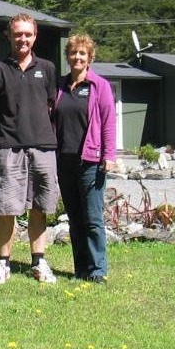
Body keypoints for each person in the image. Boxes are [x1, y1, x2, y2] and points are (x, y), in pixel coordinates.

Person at [0, 13, 59, 284]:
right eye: (18, 34)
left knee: (40, 206)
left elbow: (51, 107)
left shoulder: (47, 68)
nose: (22, 39)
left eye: (27, 34)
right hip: (9, 148)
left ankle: (39, 262)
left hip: (43, 147)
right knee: (6, 207)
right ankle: (2, 263)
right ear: (9, 36)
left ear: (35, 36)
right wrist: (7, 135)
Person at [54, 34, 116, 283]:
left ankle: (97, 270)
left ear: (90, 58)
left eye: (82, 53)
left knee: (92, 219)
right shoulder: (59, 86)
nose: (77, 57)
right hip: (64, 161)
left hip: (90, 161)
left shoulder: (99, 86)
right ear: (67, 57)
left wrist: (109, 154)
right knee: (75, 219)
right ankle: (80, 269)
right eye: (73, 53)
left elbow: (109, 122)